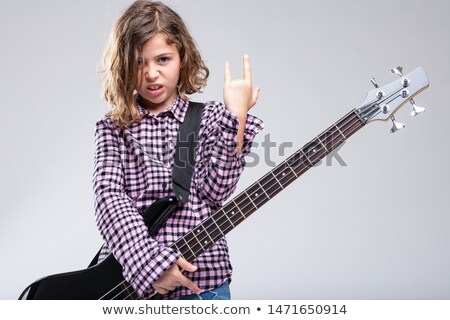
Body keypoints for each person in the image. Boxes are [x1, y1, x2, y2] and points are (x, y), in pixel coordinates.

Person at [93, 0, 263, 300]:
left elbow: (216, 192)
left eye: (162, 59)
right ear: (122, 64)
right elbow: (110, 198)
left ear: (182, 58)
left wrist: (236, 117)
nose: (151, 73)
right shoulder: (114, 128)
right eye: (138, 62)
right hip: (131, 285)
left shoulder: (208, 118)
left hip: (203, 285)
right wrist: (151, 265)